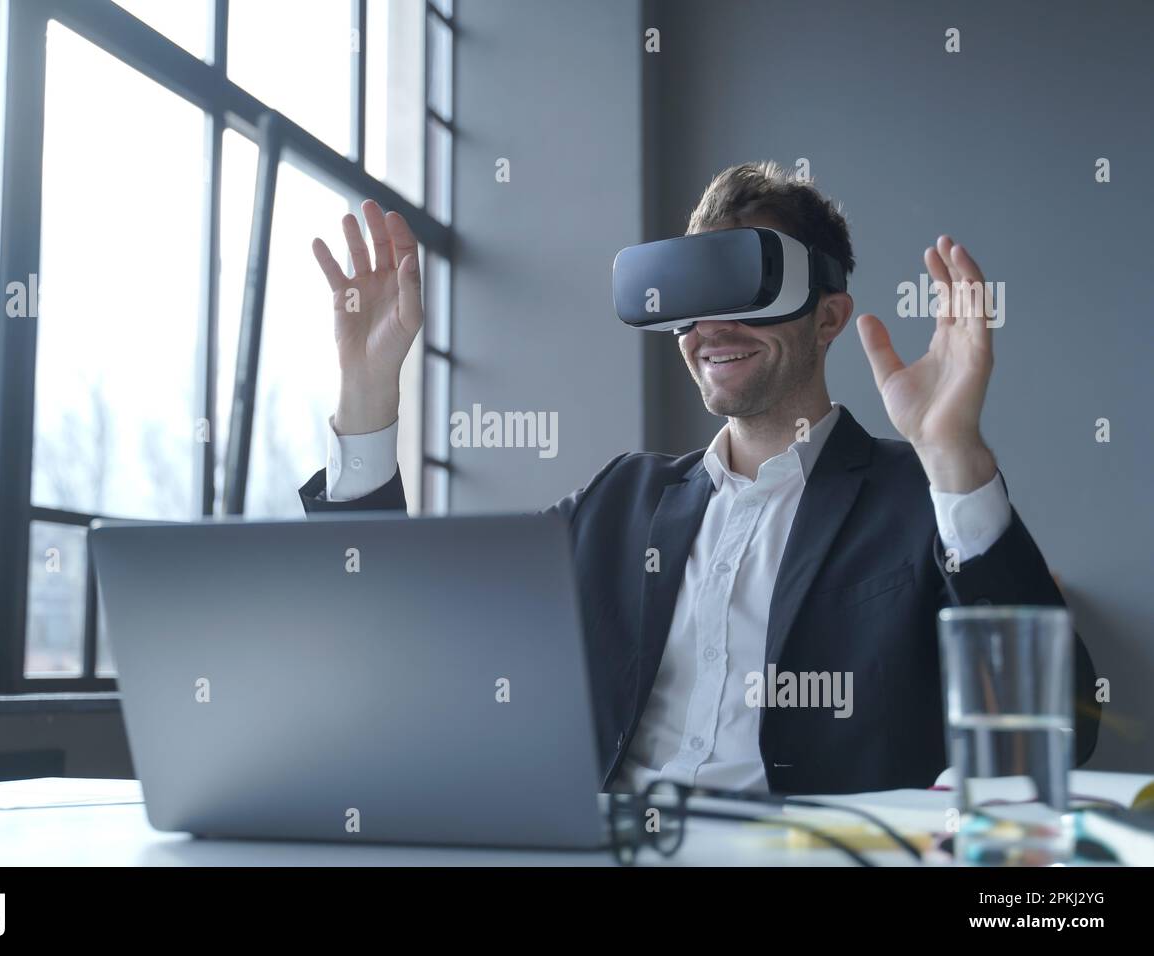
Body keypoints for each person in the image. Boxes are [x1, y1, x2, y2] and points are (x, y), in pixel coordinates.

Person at [300, 161, 1099, 795]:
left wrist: (952, 453)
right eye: (688, 296)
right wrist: (368, 395)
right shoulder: (621, 503)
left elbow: (1064, 721)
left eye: (744, 289)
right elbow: (399, 634)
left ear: (827, 317)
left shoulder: (921, 501)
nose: (710, 327)